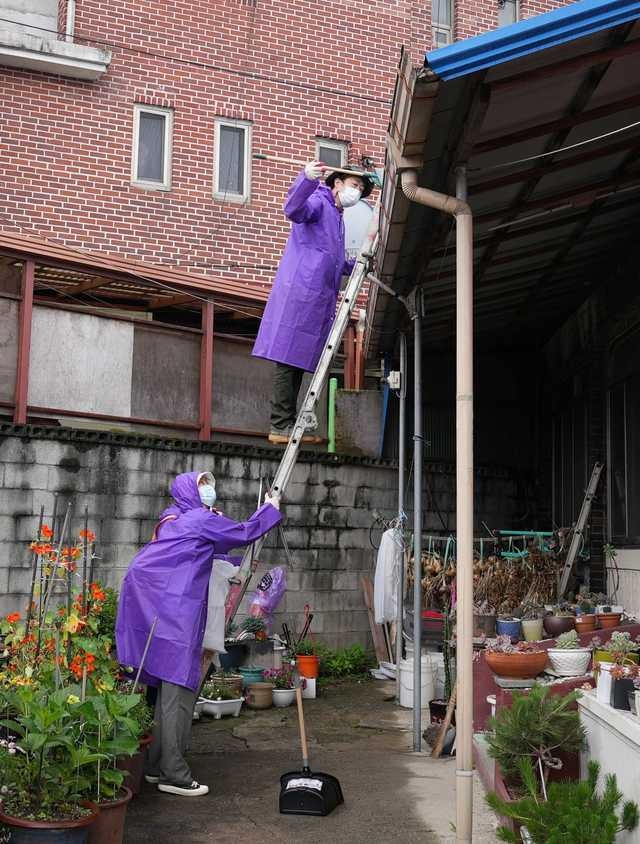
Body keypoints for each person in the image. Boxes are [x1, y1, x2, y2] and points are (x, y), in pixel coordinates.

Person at [115, 471, 281, 797]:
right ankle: (174, 775)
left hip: (154, 615)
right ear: (190, 491)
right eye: (203, 485)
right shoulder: (200, 520)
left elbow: (209, 551)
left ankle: (154, 766)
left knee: (164, 695)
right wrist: (270, 508)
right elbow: (245, 532)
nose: (210, 490)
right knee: (178, 696)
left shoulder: (170, 519)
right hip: (177, 620)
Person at [252, 160, 374, 444]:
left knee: (296, 360)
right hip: (301, 291)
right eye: (354, 185)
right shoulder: (319, 202)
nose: (357, 192)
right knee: (287, 358)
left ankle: (288, 422)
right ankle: (280, 422)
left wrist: (356, 265)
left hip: (315, 294)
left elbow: (332, 259)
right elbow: (293, 209)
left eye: (360, 188)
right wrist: (306, 179)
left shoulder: (337, 216)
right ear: (338, 183)